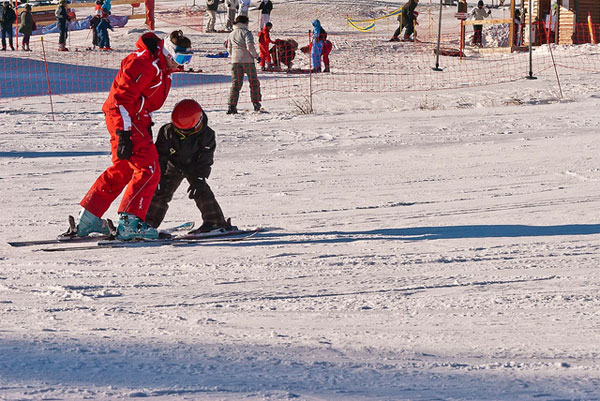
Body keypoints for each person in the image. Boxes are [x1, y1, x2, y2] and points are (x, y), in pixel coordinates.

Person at [63, 30, 194, 240]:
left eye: (188, 58)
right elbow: (120, 100)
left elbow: (142, 99)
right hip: (126, 120)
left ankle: (88, 218)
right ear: (169, 53)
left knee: (122, 169)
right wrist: (123, 133)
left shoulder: (160, 67)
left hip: (133, 120)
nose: (183, 63)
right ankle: (130, 222)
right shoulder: (144, 63)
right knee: (149, 169)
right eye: (181, 58)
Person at [145, 99, 232, 234]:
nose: (182, 134)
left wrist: (200, 178)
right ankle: (147, 224)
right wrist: (159, 176)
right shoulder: (167, 131)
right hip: (173, 165)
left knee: (201, 191)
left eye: (186, 132)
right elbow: (160, 156)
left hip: (195, 167)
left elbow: (205, 159)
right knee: (161, 191)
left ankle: (215, 222)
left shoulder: (207, 135)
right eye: (179, 131)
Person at [226, 15, 261, 114]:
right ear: (245, 23)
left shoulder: (231, 34)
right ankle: (256, 103)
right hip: (248, 61)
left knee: (235, 84)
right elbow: (250, 47)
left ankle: (232, 106)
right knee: (253, 82)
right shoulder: (246, 32)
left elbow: (229, 48)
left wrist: (234, 56)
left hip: (235, 62)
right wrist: (256, 57)